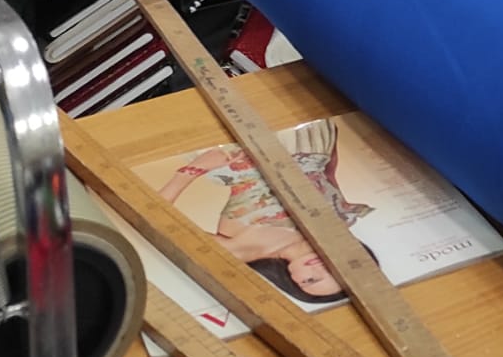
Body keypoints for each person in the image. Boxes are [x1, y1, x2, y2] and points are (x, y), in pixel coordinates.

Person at [153, 119, 372, 303]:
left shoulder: (242, 252)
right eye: (335, 272)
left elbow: (157, 218)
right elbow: (328, 175)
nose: (318, 269)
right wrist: (329, 135)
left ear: (293, 282)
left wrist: (193, 170)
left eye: (310, 280)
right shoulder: (340, 224)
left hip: (230, 148)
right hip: (306, 136)